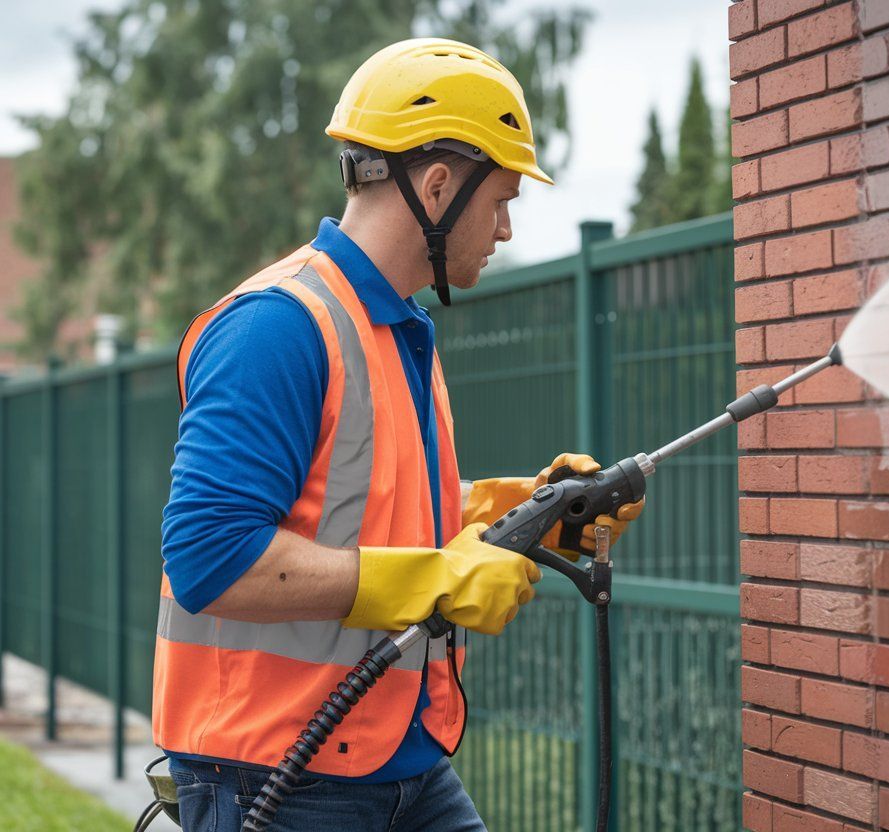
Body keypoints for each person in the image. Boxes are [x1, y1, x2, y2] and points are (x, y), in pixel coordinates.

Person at [152, 38, 644, 831]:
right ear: (439, 185)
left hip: (400, 760)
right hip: (277, 774)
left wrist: (521, 508)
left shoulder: (397, 327)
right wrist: (435, 580)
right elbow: (212, 557)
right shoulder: (278, 326)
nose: (508, 229)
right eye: (502, 200)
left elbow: (378, 511)